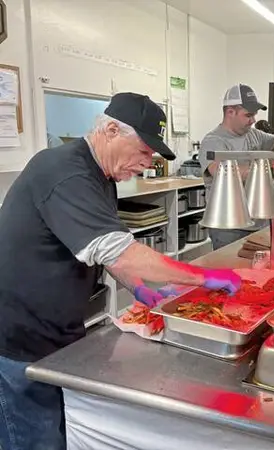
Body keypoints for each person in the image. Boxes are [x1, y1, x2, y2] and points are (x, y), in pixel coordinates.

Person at [0, 92, 241, 450]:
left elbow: (109, 255)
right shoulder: (63, 171)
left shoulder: (102, 177)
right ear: (111, 130)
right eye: (143, 151)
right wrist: (204, 278)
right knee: (36, 439)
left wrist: (142, 290)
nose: (146, 163)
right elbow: (124, 254)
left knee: (63, 430)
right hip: (18, 338)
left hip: (58, 330)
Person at [199, 84, 274, 250]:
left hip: (259, 222)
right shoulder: (213, 141)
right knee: (229, 265)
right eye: (248, 115)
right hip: (229, 227)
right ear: (230, 112)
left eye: (254, 115)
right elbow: (222, 171)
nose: (253, 120)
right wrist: (271, 171)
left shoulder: (253, 134)